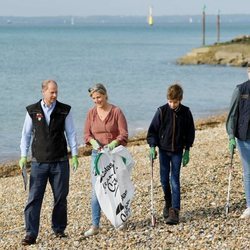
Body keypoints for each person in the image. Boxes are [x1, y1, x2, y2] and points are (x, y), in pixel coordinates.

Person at [19, 80, 79, 245]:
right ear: (43, 91)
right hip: (38, 162)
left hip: (60, 161)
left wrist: (74, 154)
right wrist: (23, 156)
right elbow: (26, 134)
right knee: (34, 198)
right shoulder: (32, 110)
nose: (55, 95)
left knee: (60, 197)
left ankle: (59, 229)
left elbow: (71, 133)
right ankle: (31, 233)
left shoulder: (64, 110)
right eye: (52, 92)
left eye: (56, 92)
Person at [83, 83, 128, 237]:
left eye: (99, 97)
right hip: (97, 156)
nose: (97, 100)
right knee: (97, 191)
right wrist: (94, 143)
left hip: (114, 154)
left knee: (116, 187)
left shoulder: (116, 111)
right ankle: (95, 225)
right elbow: (87, 135)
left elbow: (124, 134)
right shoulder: (91, 113)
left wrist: (114, 143)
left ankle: (119, 219)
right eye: (94, 98)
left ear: (105, 95)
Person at [147, 83, 195, 225]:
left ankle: (175, 210)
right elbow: (152, 131)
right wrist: (152, 146)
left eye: (175, 102)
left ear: (180, 99)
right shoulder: (161, 111)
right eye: (170, 101)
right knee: (163, 180)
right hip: (163, 150)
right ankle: (168, 202)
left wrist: (187, 150)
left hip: (178, 151)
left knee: (174, 179)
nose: (172, 104)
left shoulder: (186, 112)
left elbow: (190, 132)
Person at [226, 65, 250, 219]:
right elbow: (232, 114)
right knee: (248, 172)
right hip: (244, 137)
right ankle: (249, 205)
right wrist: (231, 136)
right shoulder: (240, 90)